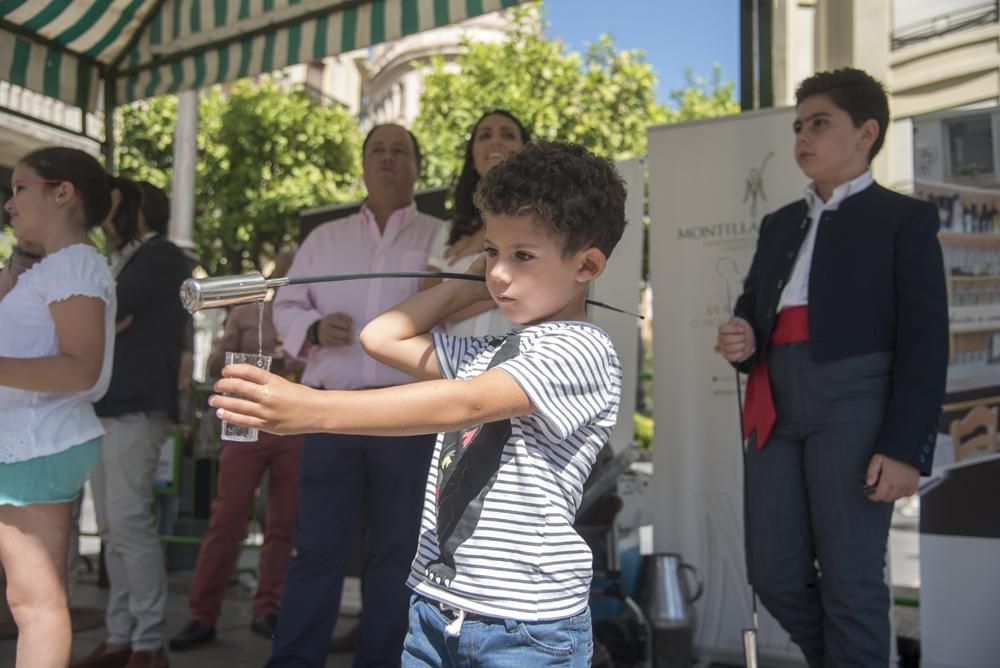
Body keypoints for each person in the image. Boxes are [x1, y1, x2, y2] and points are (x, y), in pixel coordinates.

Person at [211, 140, 627, 667]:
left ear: (587, 264)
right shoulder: (490, 350)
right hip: (437, 609)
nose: (499, 272)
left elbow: (469, 402)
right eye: (493, 251)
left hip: (523, 627)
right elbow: (382, 337)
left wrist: (311, 410)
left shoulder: (582, 347)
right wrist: (466, 288)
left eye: (523, 255)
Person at [715, 68, 948, 667]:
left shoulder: (905, 219)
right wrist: (743, 335)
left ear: (866, 132)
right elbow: (752, 311)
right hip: (775, 394)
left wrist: (905, 449)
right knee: (773, 573)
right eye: (798, 126)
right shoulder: (777, 224)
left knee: (851, 578)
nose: (803, 137)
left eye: (820, 123)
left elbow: (926, 341)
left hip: (858, 398)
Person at [264, 123, 443, 667]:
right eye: (377, 150)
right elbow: (285, 305)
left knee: (397, 556)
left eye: (400, 151)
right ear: (363, 166)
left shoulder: (442, 237)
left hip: (407, 415)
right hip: (329, 415)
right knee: (315, 549)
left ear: (417, 167)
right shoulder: (324, 239)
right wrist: (314, 329)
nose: (387, 159)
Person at [0, 147, 117, 668]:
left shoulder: (75, 263)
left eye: (20, 188)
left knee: (36, 605)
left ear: (63, 192)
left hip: (36, 442)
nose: (10, 203)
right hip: (30, 441)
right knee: (31, 603)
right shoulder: (54, 266)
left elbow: (80, 369)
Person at [73, 180, 193, 668]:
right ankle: (123, 635)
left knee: (128, 525)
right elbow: (101, 315)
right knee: (113, 528)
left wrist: (103, 318)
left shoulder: (162, 256)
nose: (104, 215)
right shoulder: (126, 258)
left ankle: (146, 642)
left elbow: (102, 309)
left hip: (136, 407)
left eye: (114, 206)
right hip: (108, 407)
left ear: (138, 209)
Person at [168, 251, 305, 651]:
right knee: (226, 518)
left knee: (283, 522)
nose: (286, 280)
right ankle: (201, 614)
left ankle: (268, 608)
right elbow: (214, 363)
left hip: (295, 426)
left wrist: (292, 358)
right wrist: (232, 359)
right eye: (282, 273)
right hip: (247, 425)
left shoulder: (311, 315)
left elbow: (321, 364)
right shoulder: (248, 311)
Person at [423, 110, 529, 337]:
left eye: (508, 135)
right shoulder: (449, 231)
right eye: (485, 136)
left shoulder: (550, 219)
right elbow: (429, 306)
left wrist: (489, 238)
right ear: (472, 157)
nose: (496, 141)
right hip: (458, 365)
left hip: (522, 363)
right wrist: (504, 293)